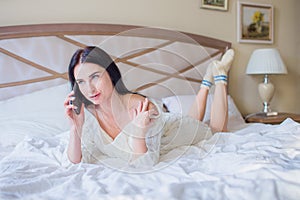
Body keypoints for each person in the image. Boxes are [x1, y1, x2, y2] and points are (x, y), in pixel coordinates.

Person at [64, 46, 234, 167]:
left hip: (176, 131)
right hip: (167, 126)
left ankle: (219, 75)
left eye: (95, 77)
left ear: (110, 73)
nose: (90, 89)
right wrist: (75, 128)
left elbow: (147, 163)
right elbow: (74, 161)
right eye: (81, 82)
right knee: (192, 119)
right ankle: (205, 83)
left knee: (215, 130)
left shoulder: (141, 106)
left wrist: (139, 132)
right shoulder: (87, 115)